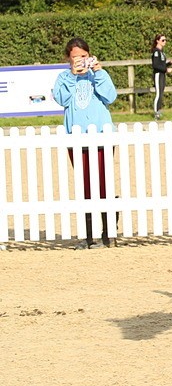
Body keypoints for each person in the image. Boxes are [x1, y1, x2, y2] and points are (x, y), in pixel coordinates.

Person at [52, 37, 118, 248]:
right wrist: (72, 76)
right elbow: (62, 99)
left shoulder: (99, 74)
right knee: (85, 186)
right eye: (74, 58)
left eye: (83, 56)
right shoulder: (63, 77)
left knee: (103, 184)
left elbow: (110, 96)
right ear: (67, 59)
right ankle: (89, 236)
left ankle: (109, 234)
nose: (79, 61)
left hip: (101, 135)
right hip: (76, 138)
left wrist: (98, 72)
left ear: (89, 56)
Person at [150, 34, 172, 120]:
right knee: (158, 94)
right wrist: (166, 70)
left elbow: (162, 64)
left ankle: (159, 111)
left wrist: (170, 63)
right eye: (162, 40)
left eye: (165, 40)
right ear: (157, 41)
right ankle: (156, 112)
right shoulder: (156, 52)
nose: (165, 42)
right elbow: (156, 65)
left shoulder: (161, 52)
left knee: (161, 93)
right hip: (158, 74)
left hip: (162, 74)